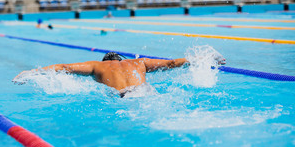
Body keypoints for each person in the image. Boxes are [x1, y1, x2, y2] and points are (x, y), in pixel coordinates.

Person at [12, 52, 225, 97]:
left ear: (107, 62)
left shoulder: (97, 67)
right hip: (147, 92)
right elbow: (171, 63)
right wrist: (200, 60)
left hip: (126, 97)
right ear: (121, 60)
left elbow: (64, 67)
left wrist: (31, 72)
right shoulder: (138, 62)